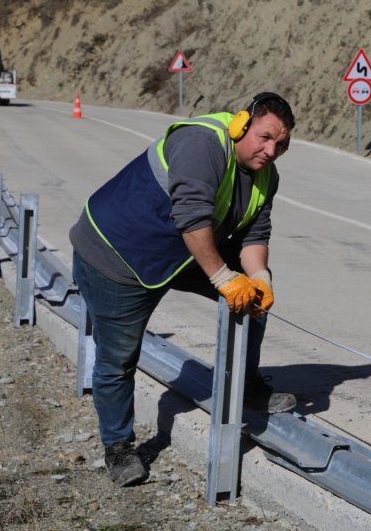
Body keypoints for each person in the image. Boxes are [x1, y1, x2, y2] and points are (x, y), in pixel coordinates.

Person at [69, 92, 298, 487]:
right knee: (118, 357)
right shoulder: (202, 142)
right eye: (263, 137)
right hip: (117, 252)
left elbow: (255, 234)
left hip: (184, 250)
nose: (270, 150)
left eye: (280, 144)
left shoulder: (266, 176)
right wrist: (224, 279)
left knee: (252, 301)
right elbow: (191, 217)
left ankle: (247, 384)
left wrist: (259, 277)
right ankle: (119, 447)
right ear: (241, 124)